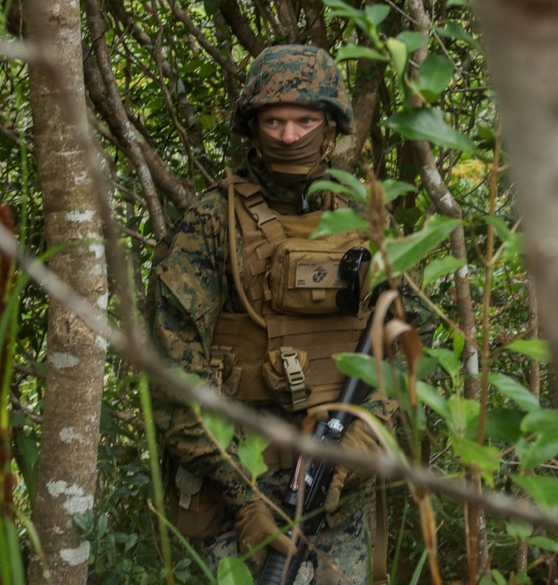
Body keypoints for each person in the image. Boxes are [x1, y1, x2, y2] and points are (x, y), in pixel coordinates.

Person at [146, 45, 393, 584]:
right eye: (274, 120)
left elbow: (404, 346)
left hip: (337, 495)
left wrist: (363, 441)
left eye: (305, 120)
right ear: (252, 126)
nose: (288, 136)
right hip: (234, 486)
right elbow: (171, 379)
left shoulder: (362, 219)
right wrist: (242, 499)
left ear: (330, 125)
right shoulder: (211, 224)